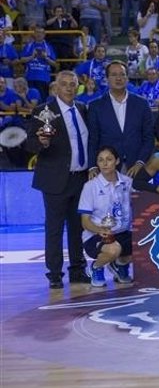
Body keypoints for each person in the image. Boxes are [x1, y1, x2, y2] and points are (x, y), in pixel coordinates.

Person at [24, 71, 90, 289]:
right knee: (54, 228)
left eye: (73, 84)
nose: (70, 88)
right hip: (54, 179)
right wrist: (41, 143)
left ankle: (78, 270)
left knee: (77, 227)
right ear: (55, 88)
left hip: (80, 179)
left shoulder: (82, 109)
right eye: (65, 85)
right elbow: (29, 145)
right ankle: (54, 273)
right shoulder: (42, 111)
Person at [87, 60, 155, 180]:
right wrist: (92, 166)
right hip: (107, 169)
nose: (118, 78)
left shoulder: (142, 104)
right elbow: (93, 140)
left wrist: (140, 162)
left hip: (137, 168)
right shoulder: (95, 106)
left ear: (127, 78)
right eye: (114, 75)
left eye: (122, 74)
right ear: (107, 79)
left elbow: (148, 137)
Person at [78, 146, 134, 287]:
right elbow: (85, 222)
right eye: (101, 160)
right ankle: (97, 267)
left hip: (123, 232)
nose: (105, 163)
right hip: (97, 235)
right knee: (113, 249)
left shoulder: (128, 182)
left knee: (145, 245)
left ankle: (120, 265)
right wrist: (99, 230)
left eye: (109, 159)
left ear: (117, 161)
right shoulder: (90, 186)